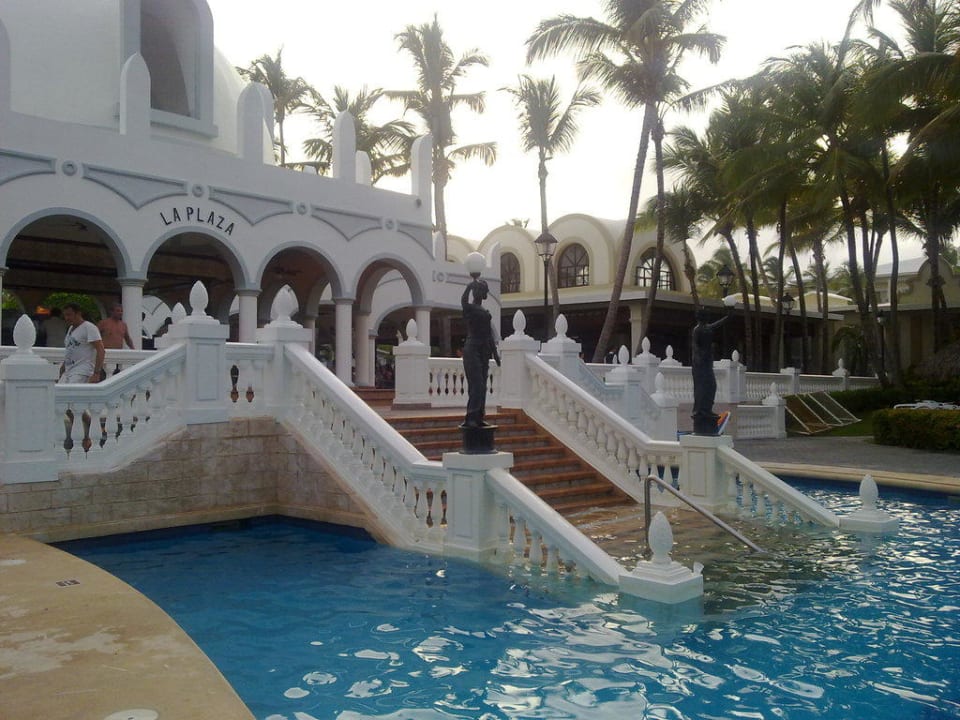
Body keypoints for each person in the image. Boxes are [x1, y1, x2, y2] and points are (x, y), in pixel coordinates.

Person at [461, 279, 501, 428]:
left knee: (482, 385)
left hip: (484, 349)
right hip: (472, 349)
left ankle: (478, 416)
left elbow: (489, 335)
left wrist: (495, 355)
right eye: (478, 290)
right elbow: (463, 302)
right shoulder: (470, 308)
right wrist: (468, 286)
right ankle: (471, 416)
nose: (480, 293)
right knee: (476, 384)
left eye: (482, 290)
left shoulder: (485, 312)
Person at [691, 307, 728, 434]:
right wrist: (699, 358)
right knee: (702, 387)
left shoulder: (707, 328)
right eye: (706, 315)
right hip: (700, 364)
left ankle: (707, 409)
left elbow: (717, 324)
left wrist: (729, 315)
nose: (708, 318)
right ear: (702, 317)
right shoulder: (697, 330)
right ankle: (700, 411)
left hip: (707, 362)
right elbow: (695, 346)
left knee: (711, 386)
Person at [59, 302, 105, 384]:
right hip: (69, 371)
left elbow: (100, 350)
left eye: (69, 315)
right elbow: (69, 352)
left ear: (78, 313)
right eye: (65, 315)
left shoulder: (89, 327)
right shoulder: (70, 329)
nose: (67, 318)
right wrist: (60, 372)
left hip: (82, 372)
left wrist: (96, 373)